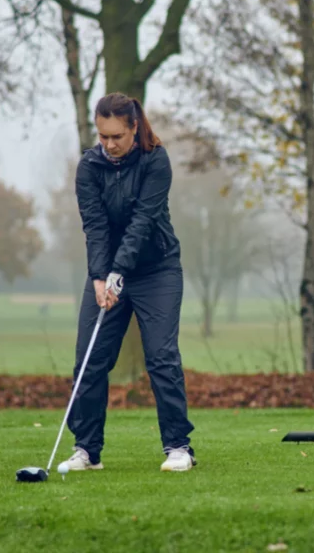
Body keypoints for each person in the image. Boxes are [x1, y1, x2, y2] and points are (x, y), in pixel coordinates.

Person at [58, 92, 196, 473]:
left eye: (117, 136)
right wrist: (101, 277)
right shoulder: (89, 167)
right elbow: (95, 226)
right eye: (103, 136)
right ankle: (87, 450)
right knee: (89, 360)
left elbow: (142, 222)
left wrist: (119, 272)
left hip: (157, 271)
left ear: (134, 128)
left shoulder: (156, 160)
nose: (109, 144)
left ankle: (178, 446)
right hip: (107, 272)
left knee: (161, 358)